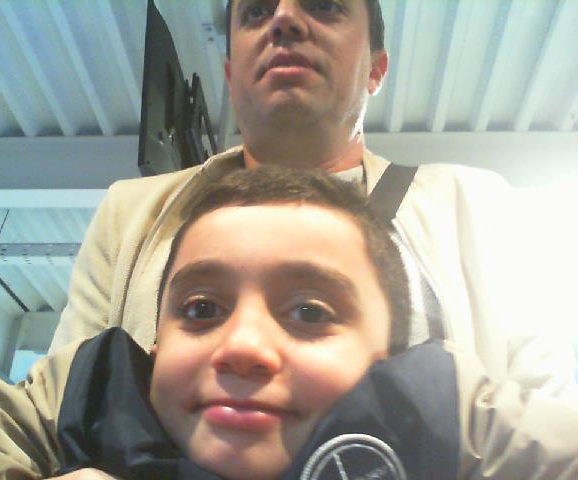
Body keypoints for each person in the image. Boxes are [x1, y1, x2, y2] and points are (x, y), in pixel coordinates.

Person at [49, 0, 577, 399]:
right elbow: (54, 407)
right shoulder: (130, 214)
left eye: (323, 5)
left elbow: (551, 408)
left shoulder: (475, 207)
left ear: (375, 69)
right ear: (231, 77)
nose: (283, 18)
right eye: (256, 12)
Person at [0, 167, 577, 480]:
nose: (242, 346)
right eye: (201, 310)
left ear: (384, 360)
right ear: (155, 346)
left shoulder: (438, 417)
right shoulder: (93, 396)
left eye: (309, 313)